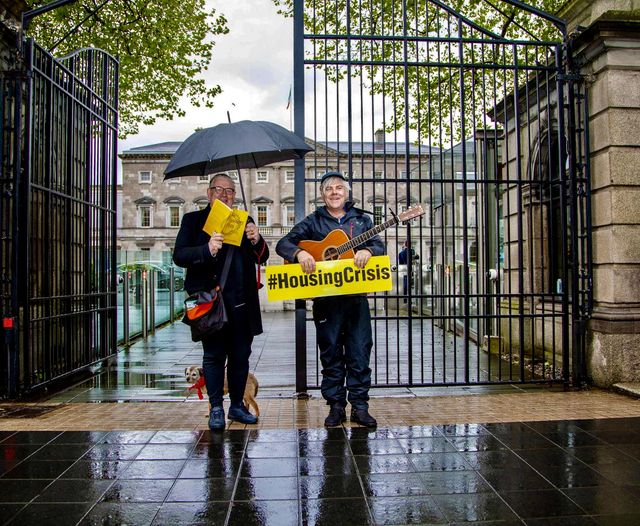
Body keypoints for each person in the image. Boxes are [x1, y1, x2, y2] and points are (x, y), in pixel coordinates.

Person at [276, 171, 385, 428]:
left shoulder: (362, 220)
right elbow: (283, 243)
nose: (334, 192)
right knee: (331, 353)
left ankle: (360, 406)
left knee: (359, 352)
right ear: (322, 195)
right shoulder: (313, 222)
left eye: (339, 188)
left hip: (356, 299)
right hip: (326, 301)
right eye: (329, 189)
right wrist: (300, 253)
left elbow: (379, 245)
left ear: (346, 193)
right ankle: (336, 405)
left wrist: (368, 250)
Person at [173, 173, 269, 430]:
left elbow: (262, 256)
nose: (225, 195)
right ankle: (216, 408)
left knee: (241, 357)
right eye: (219, 189)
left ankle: (237, 406)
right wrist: (208, 249)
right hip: (212, 304)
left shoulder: (243, 219)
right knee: (214, 356)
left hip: (242, 303)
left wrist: (256, 239)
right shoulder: (193, 221)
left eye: (229, 191)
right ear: (209, 193)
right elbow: (179, 256)